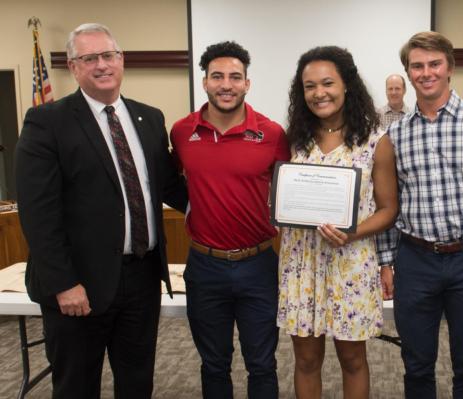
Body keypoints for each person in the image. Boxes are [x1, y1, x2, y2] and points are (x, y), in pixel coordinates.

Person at [15, 23, 188, 398]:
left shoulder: (149, 118)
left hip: (142, 279)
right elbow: (38, 212)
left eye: (108, 55)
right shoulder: (47, 122)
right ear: (74, 68)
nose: (101, 65)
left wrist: (223, 208)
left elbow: (168, 186)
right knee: (77, 387)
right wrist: (63, 283)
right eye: (88, 58)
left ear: (121, 60)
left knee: (137, 383)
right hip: (79, 287)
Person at [376, 31, 463, 398]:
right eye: (417, 66)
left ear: (450, 68)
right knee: (416, 364)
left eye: (434, 64)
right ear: (408, 73)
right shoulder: (395, 134)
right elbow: (391, 203)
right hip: (415, 261)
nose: (426, 73)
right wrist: (387, 261)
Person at [170, 41, 289, 399]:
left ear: (247, 84)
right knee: (214, 365)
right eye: (217, 76)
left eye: (235, 77)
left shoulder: (271, 134)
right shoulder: (181, 132)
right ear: (204, 82)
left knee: (263, 364)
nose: (226, 84)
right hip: (205, 267)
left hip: (259, 266)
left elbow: (289, 192)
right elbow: (172, 184)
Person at [278, 46, 398, 398]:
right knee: (305, 360)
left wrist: (352, 231)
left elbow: (389, 209)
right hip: (301, 263)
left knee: (353, 359)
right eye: (309, 86)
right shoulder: (295, 140)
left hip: (352, 261)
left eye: (328, 83)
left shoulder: (376, 140)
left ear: (347, 85)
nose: (319, 93)